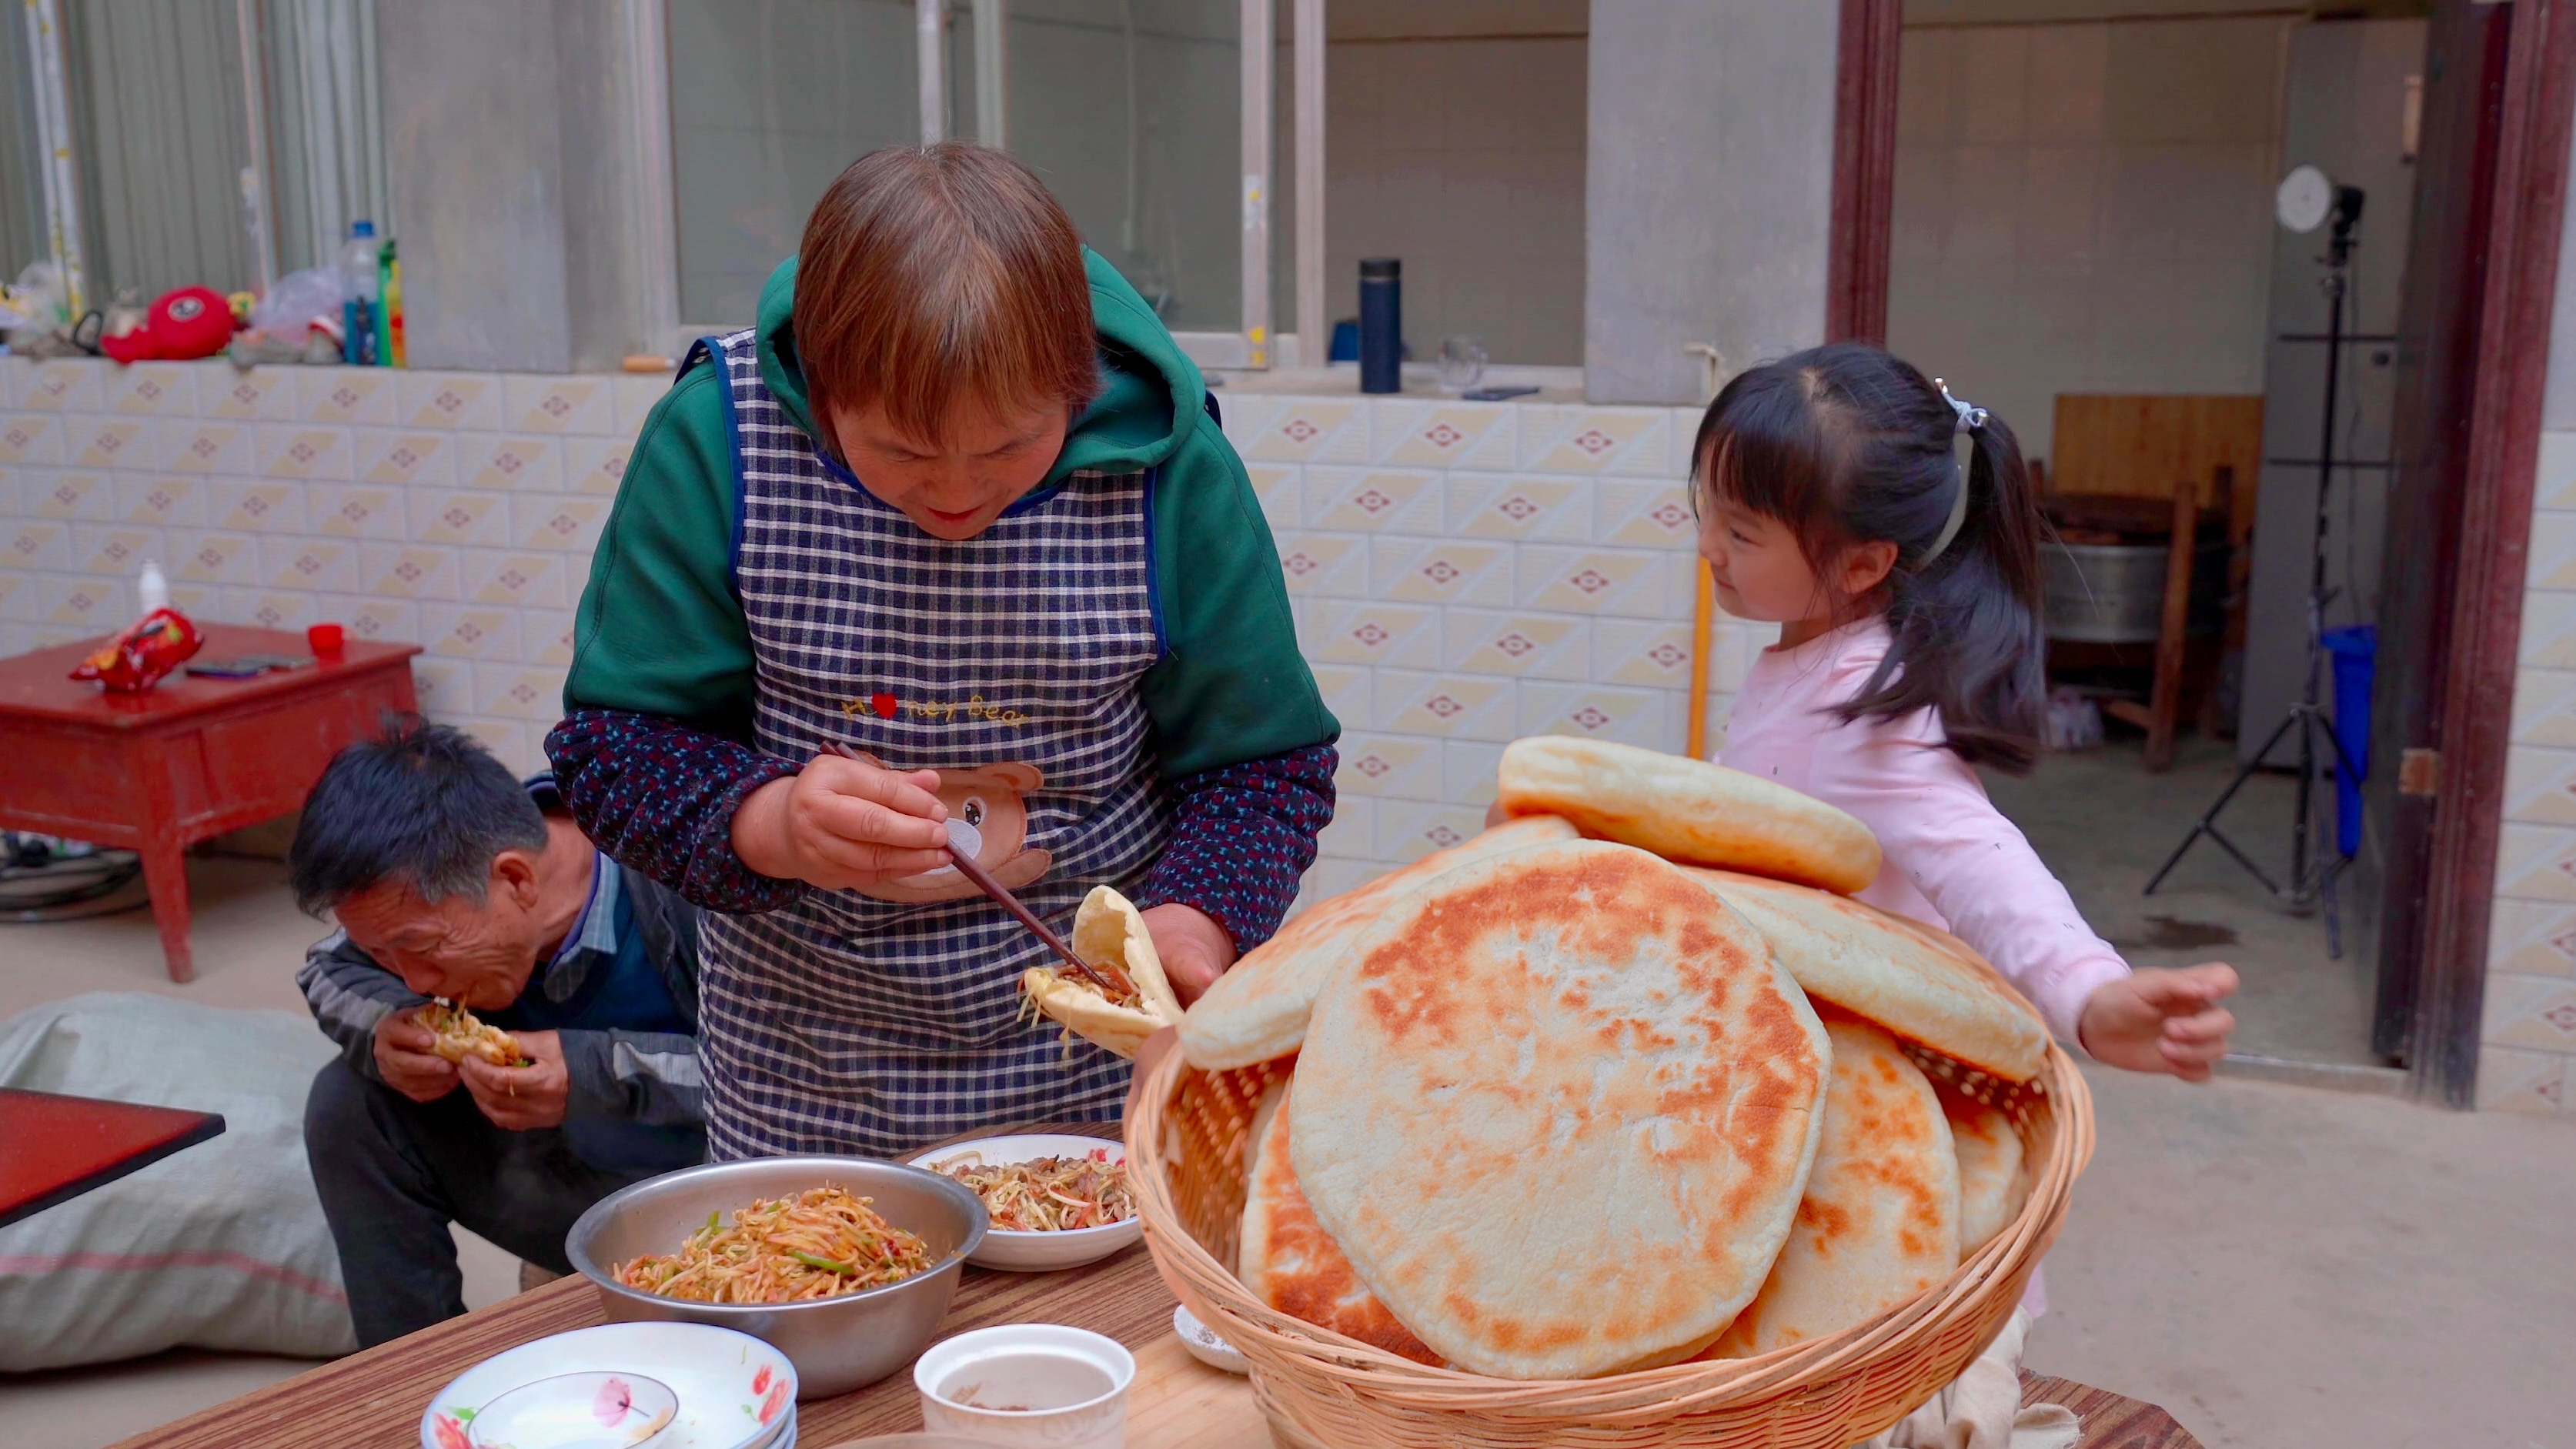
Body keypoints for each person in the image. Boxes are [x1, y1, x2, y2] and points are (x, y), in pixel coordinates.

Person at [544, 142, 1336, 1160]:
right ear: (820, 392)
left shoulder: (1169, 466)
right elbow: (615, 751)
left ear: (1077, 384)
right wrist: (772, 821)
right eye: (903, 452)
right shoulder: (718, 436)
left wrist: (1191, 927)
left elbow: (1262, 769)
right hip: (806, 1070)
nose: (956, 493)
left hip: (1098, 1065)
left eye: (1009, 445)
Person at [1687, 342, 2240, 1080]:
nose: (1706, 547)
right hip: (1782, 1032)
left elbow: (1981, 862)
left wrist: (2090, 993)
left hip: (1856, 1066)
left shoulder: (1867, 713)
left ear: (1862, 564)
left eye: (1741, 532)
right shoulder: (1819, 656)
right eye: (1704, 509)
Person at [292, 721, 705, 1347]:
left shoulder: (685, 880)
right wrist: (384, 1026)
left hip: (713, 1194)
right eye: (386, 953)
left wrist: (597, 1070)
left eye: (422, 948)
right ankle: (408, 1379)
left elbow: (786, 1081)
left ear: (515, 879)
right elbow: (326, 967)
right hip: (565, 1180)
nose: (417, 980)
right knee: (351, 1101)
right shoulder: (422, 889)